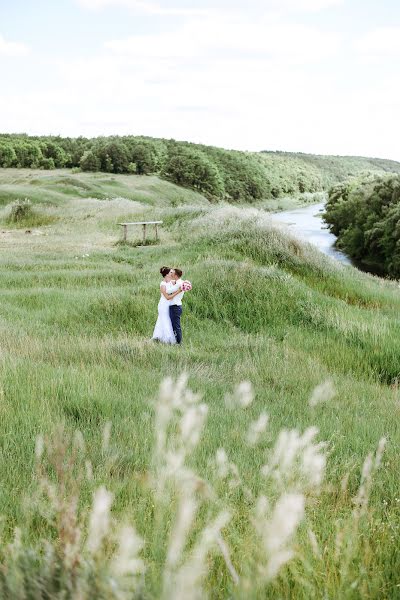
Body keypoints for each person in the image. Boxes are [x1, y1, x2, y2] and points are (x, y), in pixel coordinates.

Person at [152, 267, 182, 344]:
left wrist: (186, 284)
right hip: (163, 304)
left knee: (168, 320)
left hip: (169, 304)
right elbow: (167, 297)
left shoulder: (171, 281)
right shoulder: (162, 285)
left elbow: (179, 282)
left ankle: (161, 336)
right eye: (170, 272)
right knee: (165, 319)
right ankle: (167, 338)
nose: (172, 274)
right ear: (167, 274)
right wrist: (178, 292)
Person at [168, 268, 185, 344]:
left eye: (172, 273)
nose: (171, 274)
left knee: (176, 326)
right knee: (175, 325)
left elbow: (168, 291)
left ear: (175, 275)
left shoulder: (178, 284)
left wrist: (167, 285)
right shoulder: (180, 282)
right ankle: (177, 341)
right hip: (177, 306)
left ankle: (179, 343)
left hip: (175, 306)